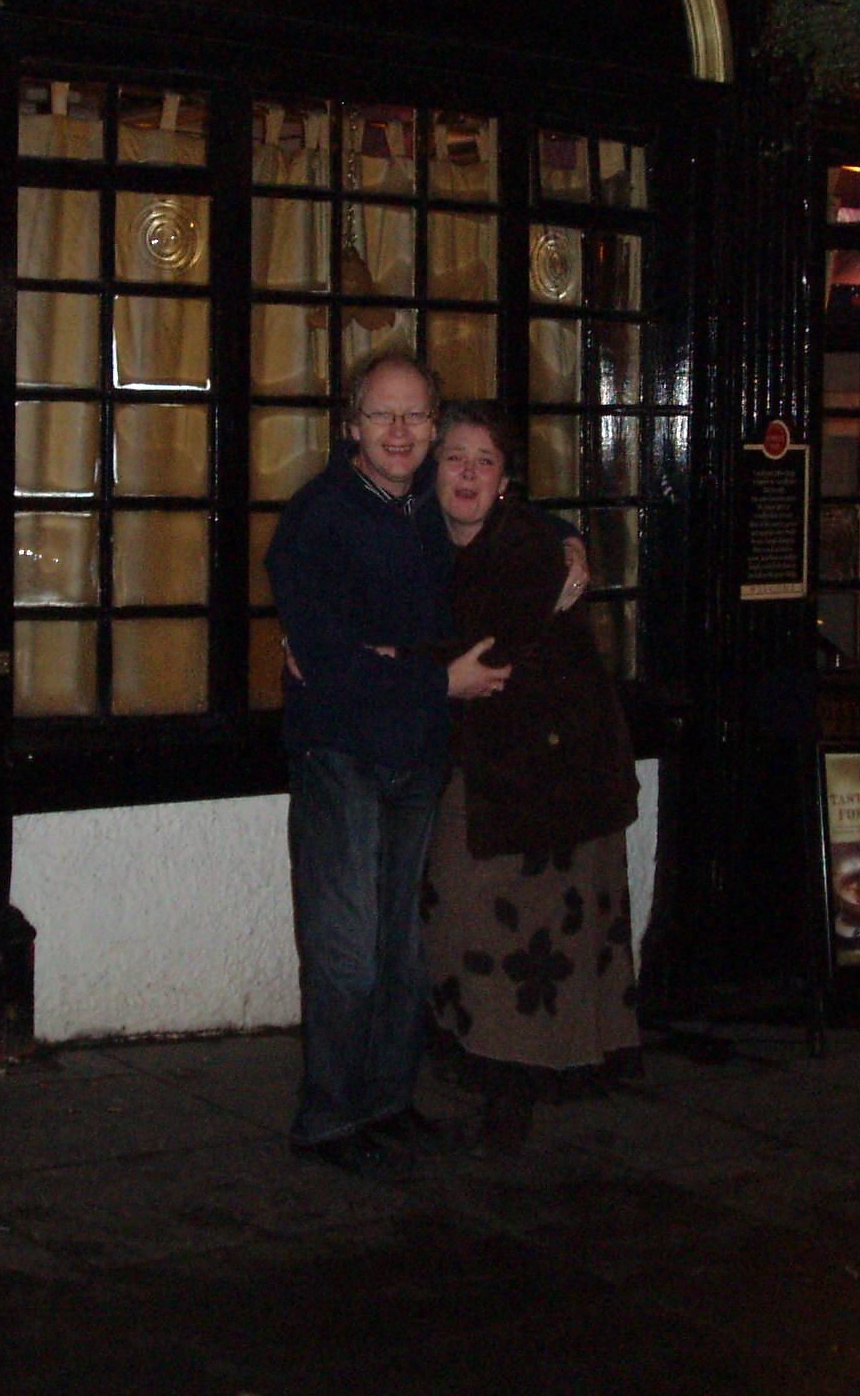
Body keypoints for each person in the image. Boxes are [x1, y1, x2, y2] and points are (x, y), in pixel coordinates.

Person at [266, 350, 509, 1176]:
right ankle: (329, 1120)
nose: (400, 432)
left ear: (434, 427)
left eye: (415, 416)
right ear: (351, 426)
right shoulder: (318, 517)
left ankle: (386, 1103)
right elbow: (329, 664)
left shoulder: (432, 511)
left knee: (405, 947)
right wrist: (435, 677)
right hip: (341, 756)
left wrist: (575, 543)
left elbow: (516, 514)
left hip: (415, 757)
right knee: (347, 947)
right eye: (382, 415)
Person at [420, 402, 642, 1154]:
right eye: (455, 457)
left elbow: (484, 633)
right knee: (466, 927)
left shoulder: (527, 548)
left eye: (485, 460)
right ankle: (491, 1088)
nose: (469, 474)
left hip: (553, 776)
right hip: (493, 771)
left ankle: (510, 1097)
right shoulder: (428, 538)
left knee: (527, 937)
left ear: (507, 479)